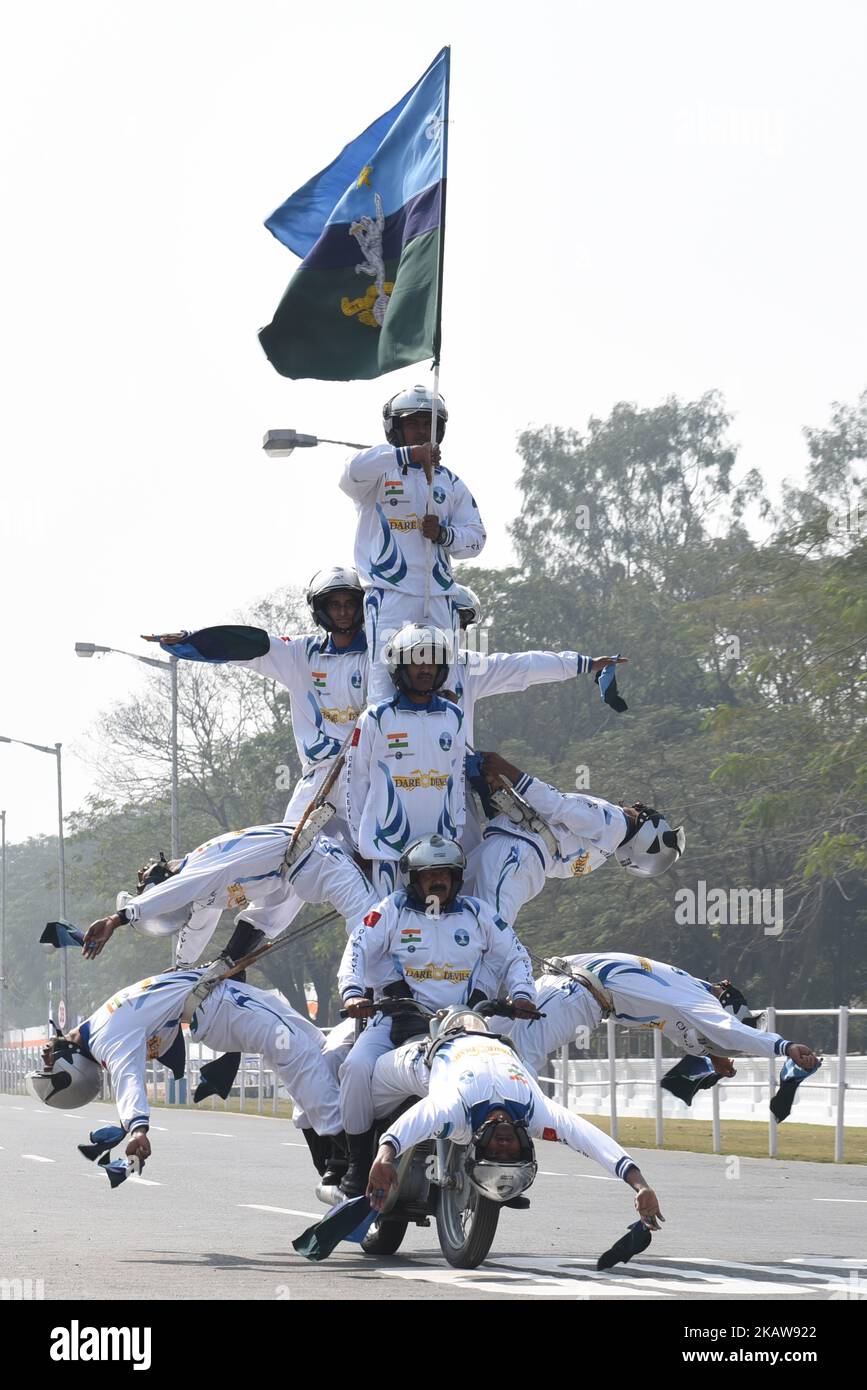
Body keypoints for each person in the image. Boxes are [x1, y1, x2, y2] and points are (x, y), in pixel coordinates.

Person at [336, 833, 536, 1198]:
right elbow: (357, 948)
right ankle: (358, 1162)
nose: (437, 881)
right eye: (429, 875)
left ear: (457, 878)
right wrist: (352, 993)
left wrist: (522, 994)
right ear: (414, 879)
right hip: (395, 1020)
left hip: (465, 1025)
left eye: (445, 874)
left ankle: (506, 1161)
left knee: (511, 1075)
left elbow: (516, 955)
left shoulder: (479, 913)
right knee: (355, 1068)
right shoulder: (390, 909)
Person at [365, 1016, 663, 1243]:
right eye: (511, 1153)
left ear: (476, 1145)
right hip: (494, 1036)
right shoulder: (538, 1114)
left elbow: (416, 1120)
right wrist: (640, 1185)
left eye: (495, 1152)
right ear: (525, 1145)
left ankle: (356, 1162)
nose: (505, 1146)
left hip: (424, 1059)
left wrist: (383, 1156)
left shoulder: (456, 1113)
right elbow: (591, 1139)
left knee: (363, 1072)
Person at [32, 966, 345, 1179]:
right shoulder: (108, 1039)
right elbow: (127, 1079)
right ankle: (348, 1161)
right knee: (300, 1056)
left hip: (224, 997)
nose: (47, 1052)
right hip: (223, 1007)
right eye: (49, 1063)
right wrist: (138, 1128)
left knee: (315, 1051)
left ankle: (332, 1165)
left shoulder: (95, 1024)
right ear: (69, 1072)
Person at [146, 566, 367, 840]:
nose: (343, 612)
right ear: (320, 609)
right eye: (334, 605)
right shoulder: (301, 653)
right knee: (288, 854)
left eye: (349, 604)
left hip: (369, 777)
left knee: (377, 856)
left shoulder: (382, 655)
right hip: (319, 776)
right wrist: (189, 640)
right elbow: (248, 646)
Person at [447, 584, 627, 848]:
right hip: (397, 780)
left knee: (463, 861)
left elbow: (525, 667)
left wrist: (585, 664)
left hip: (455, 788)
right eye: (457, 620)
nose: (460, 631)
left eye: (464, 624)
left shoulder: (464, 666)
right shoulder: (384, 664)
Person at [81, 809, 377, 969]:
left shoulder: (199, 872)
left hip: (317, 856)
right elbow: (194, 932)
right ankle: (228, 965)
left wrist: (116, 919)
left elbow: (179, 889)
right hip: (291, 873)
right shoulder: (201, 896)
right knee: (256, 928)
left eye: (144, 885)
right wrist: (181, 969)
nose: (141, 873)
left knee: (371, 929)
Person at [339, 385, 486, 702]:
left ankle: (446, 747)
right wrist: (409, 455)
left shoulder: (450, 481)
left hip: (440, 596)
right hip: (391, 594)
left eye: (428, 424)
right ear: (396, 429)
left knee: (447, 688)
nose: (421, 430)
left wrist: (445, 534)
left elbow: (476, 539)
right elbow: (349, 473)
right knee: (385, 685)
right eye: (412, 423)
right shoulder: (379, 473)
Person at [498, 952, 821, 1078]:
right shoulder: (697, 1001)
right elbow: (728, 1030)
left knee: (479, 1035)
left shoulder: (683, 983)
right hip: (577, 1002)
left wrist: (714, 1056)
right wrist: (785, 1047)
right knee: (520, 1066)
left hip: (552, 983)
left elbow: (681, 1028)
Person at [464, 751, 685, 925]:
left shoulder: (614, 822)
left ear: (649, 836)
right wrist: (488, 790)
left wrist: (505, 768)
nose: (638, 804)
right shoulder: (596, 856)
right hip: (514, 858)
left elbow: (555, 806)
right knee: (461, 916)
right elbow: (534, 828)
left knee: (486, 931)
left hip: (510, 856)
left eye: (642, 811)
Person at [345, 623, 467, 896]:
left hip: (439, 851)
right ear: (400, 666)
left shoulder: (454, 716)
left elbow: (457, 780)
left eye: (432, 661)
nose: (425, 669)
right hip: (387, 849)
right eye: (417, 661)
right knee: (393, 929)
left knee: (435, 927)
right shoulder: (376, 718)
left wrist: (455, 836)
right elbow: (356, 782)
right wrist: (360, 843)